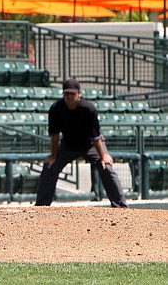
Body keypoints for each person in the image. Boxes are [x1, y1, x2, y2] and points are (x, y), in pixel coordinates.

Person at [35, 79, 128, 208]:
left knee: (106, 167)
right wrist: (53, 155)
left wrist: (103, 156)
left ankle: (121, 206)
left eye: (72, 94)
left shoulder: (88, 109)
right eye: (66, 93)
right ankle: (42, 206)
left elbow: (95, 137)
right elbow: (55, 135)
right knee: (50, 166)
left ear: (79, 94)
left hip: (90, 145)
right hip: (68, 145)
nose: (69, 96)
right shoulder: (56, 108)